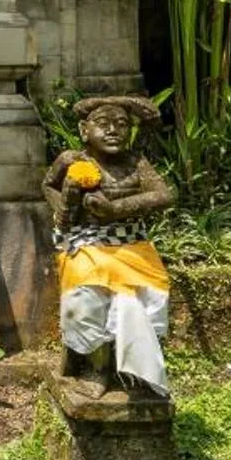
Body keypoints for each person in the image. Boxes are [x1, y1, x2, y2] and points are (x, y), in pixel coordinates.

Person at [43, 95, 178, 396]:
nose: (113, 131)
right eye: (103, 124)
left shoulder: (135, 163)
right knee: (88, 291)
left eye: (121, 124)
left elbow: (165, 195)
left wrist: (117, 210)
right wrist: (62, 208)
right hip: (85, 240)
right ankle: (97, 366)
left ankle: (137, 365)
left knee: (150, 292)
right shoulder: (73, 161)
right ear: (83, 130)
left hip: (131, 242)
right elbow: (48, 185)